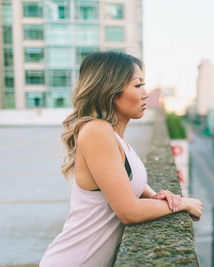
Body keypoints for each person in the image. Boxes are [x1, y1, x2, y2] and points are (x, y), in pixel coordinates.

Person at [40, 51, 203, 267]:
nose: (145, 93)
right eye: (138, 85)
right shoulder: (96, 132)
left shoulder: (115, 136)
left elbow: (128, 180)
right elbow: (129, 212)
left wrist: (158, 197)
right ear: (111, 90)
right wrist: (182, 204)